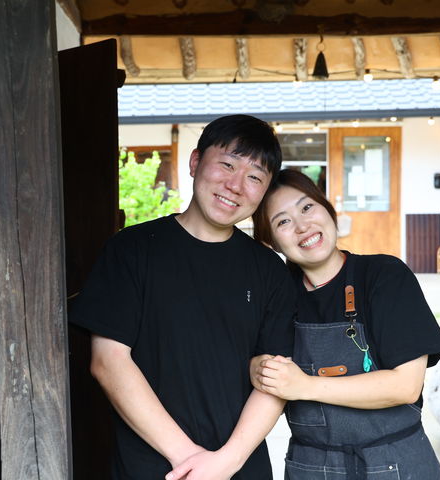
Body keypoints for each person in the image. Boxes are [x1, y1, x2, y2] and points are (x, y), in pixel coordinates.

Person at [70, 115, 297, 479]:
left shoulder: (270, 270)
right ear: (195, 162)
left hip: (238, 467)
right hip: (151, 467)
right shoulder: (132, 249)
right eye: (227, 164)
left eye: (255, 177)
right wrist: (190, 460)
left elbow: (274, 380)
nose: (236, 185)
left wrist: (225, 463)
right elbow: (108, 361)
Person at [250, 169, 440, 480]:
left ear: (328, 210)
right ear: (270, 241)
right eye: (283, 221)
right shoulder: (277, 295)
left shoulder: (384, 275)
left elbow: (405, 386)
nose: (303, 226)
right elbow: (260, 366)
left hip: (397, 462)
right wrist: (257, 368)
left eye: (307, 207)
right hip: (311, 467)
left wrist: (305, 385)